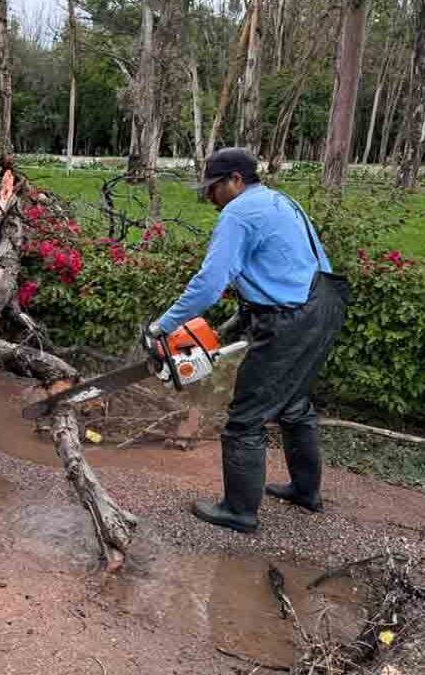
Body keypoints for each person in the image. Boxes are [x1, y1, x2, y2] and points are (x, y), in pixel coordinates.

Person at [149, 147, 348, 533]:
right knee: (294, 406)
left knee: (245, 417)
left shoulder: (238, 213)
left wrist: (162, 327)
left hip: (292, 316)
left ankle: (239, 510)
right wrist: (243, 316)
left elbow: (208, 284)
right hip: (324, 303)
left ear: (236, 181)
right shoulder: (277, 200)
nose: (209, 197)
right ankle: (306, 492)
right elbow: (283, 265)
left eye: (214, 188)